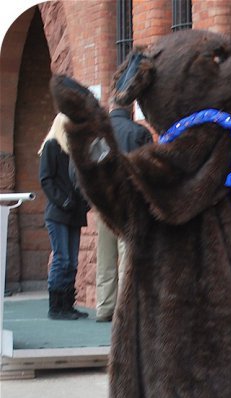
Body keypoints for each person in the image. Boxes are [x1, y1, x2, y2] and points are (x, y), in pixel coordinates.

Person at [94, 99, 153, 322]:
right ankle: (124, 308)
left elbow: (93, 167)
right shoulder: (139, 132)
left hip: (105, 201)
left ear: (111, 108)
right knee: (127, 255)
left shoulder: (101, 135)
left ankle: (104, 306)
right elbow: (148, 167)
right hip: (130, 201)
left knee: (105, 256)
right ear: (130, 110)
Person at [38, 113, 90, 320]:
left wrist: (85, 203)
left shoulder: (74, 150)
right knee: (62, 259)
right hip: (58, 213)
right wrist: (64, 201)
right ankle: (56, 307)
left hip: (74, 213)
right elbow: (46, 180)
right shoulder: (52, 146)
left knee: (73, 262)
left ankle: (68, 305)